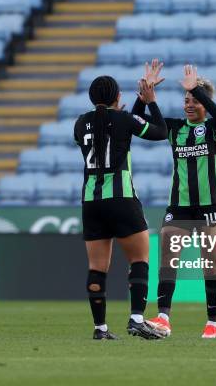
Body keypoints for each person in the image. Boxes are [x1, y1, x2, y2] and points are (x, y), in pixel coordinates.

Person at [135, 62, 216, 339]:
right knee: (168, 254)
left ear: (205, 103)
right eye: (185, 100)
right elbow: (138, 122)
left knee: (209, 263)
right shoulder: (174, 128)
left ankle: (212, 321)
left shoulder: (214, 129)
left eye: (194, 100)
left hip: (210, 206)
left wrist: (197, 90)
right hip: (179, 206)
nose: (188, 105)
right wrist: (145, 96)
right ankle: (163, 317)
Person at [74, 75, 168, 340]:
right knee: (139, 260)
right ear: (117, 97)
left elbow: (117, 130)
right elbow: (160, 131)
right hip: (122, 199)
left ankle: (100, 328)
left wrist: (135, 106)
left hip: (91, 202)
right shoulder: (124, 119)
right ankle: (137, 319)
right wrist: (150, 102)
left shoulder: (80, 123)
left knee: (97, 267)